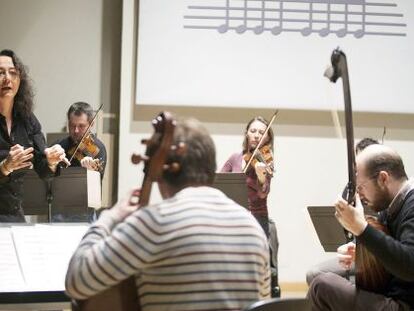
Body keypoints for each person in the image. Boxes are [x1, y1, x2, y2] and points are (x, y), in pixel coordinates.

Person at [65, 117, 271, 311]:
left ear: (161, 172)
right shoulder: (252, 228)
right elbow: (262, 302)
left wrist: (110, 216)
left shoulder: (152, 223)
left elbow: (76, 282)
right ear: (210, 168)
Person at [308, 144, 414, 310]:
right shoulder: (391, 206)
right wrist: (364, 253)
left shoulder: (412, 204)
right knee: (317, 277)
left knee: (321, 285)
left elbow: (409, 265)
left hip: (404, 304)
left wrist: (362, 230)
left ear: (383, 178)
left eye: (361, 187)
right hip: (391, 295)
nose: (360, 195)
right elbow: (391, 249)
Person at [0, 49, 69, 222]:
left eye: (13, 72)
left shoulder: (27, 119)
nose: (7, 78)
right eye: (0, 72)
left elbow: (43, 167)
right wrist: (4, 167)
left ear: (19, 80)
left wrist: (52, 162)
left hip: (14, 212)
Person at [306, 137, 379, 285]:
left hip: (374, 256)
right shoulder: (352, 186)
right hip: (354, 251)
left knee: (318, 275)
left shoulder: (381, 190)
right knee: (313, 274)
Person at [221, 116, 279, 297]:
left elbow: (263, 193)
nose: (256, 135)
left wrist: (262, 176)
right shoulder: (235, 158)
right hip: (234, 218)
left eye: (261, 132)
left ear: (268, 138)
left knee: (257, 268)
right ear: (246, 134)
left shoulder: (266, 160)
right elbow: (219, 182)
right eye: (253, 131)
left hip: (257, 218)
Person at [56, 101, 106, 179]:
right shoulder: (60, 146)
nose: (76, 130)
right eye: (72, 125)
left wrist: (90, 172)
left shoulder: (98, 149)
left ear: (91, 124)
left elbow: (97, 182)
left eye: (81, 126)